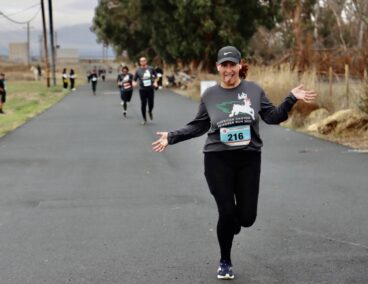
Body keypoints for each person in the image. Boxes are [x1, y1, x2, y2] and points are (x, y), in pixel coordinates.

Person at [152, 46, 317, 280]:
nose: (228, 69)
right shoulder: (210, 95)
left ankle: (233, 223)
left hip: (249, 159)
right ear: (218, 67)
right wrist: (172, 136)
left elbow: (273, 117)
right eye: (224, 65)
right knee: (227, 212)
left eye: (232, 64)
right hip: (217, 158)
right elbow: (198, 125)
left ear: (240, 65)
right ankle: (225, 260)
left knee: (247, 218)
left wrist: (291, 99)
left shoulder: (254, 90)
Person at [133, 57, 158, 124]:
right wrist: (134, 83)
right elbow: (134, 79)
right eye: (141, 61)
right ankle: (144, 119)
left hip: (150, 89)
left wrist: (155, 82)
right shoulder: (138, 70)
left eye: (144, 61)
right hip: (142, 89)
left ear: (146, 61)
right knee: (143, 104)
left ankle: (150, 111)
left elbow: (155, 77)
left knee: (151, 103)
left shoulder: (151, 68)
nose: (143, 62)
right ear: (140, 62)